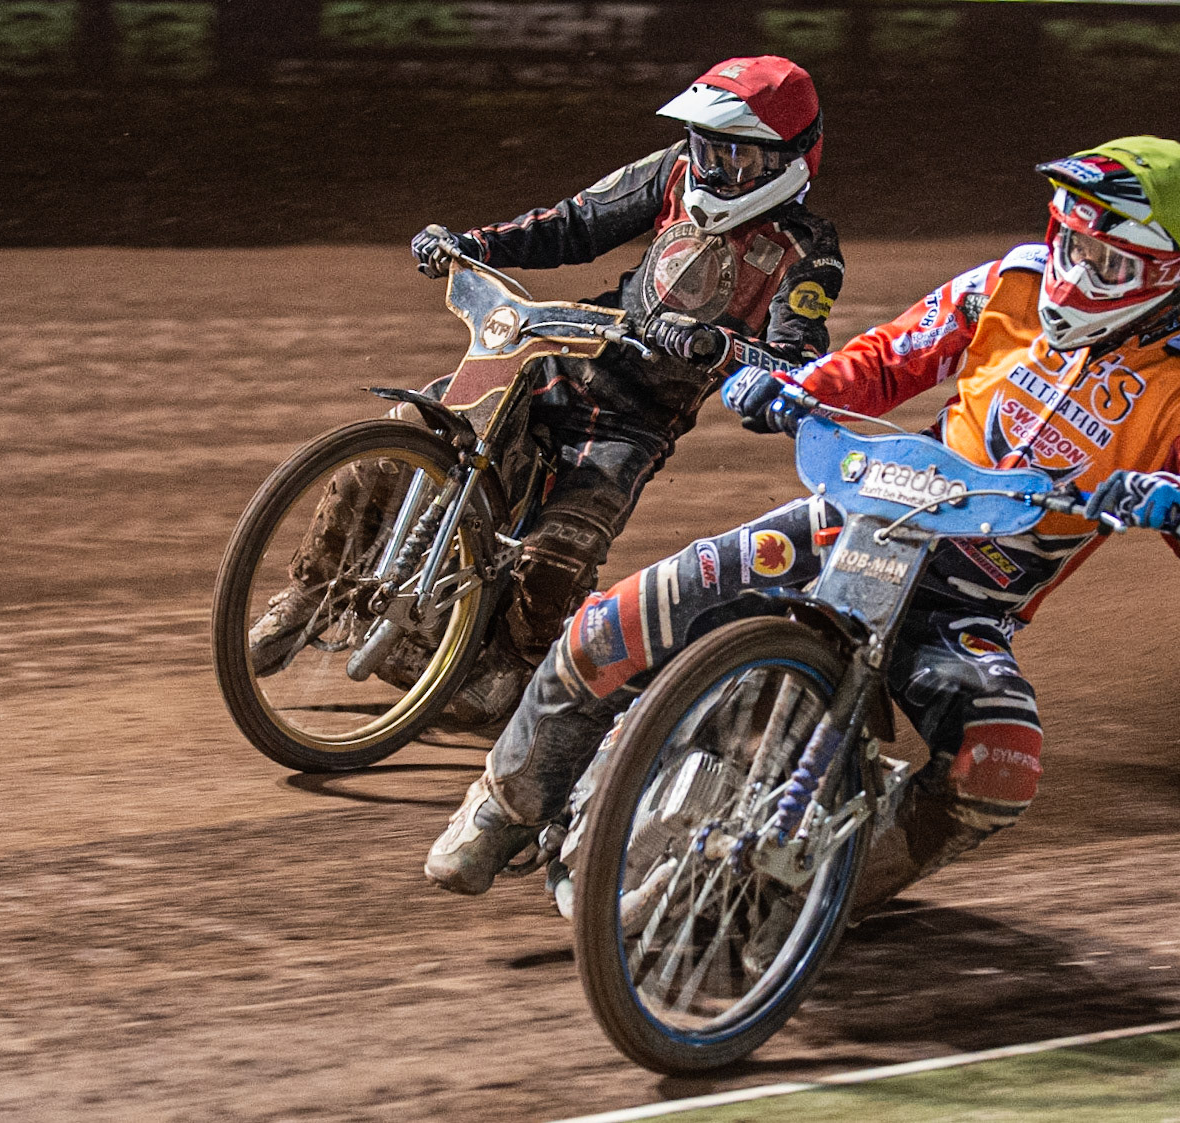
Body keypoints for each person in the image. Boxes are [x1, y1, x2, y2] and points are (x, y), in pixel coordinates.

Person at [425, 136, 1180, 909]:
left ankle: (812, 900)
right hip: (861, 515)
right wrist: (800, 388)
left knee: (1000, 763)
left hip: (964, 607)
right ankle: (501, 808)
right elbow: (892, 355)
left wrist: (1170, 498)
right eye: (1074, 243)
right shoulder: (1010, 281)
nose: (1079, 268)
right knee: (625, 614)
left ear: (1173, 274)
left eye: (1109, 259)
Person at [248, 56, 845, 729]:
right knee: (407, 428)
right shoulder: (672, 172)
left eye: (736, 157)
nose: (714, 167)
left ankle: (514, 663)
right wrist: (471, 243)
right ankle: (309, 591)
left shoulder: (807, 250)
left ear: (787, 161)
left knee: (559, 551)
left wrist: (723, 347)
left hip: (633, 418)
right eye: (707, 147)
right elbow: (574, 222)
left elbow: (798, 364)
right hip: (550, 354)